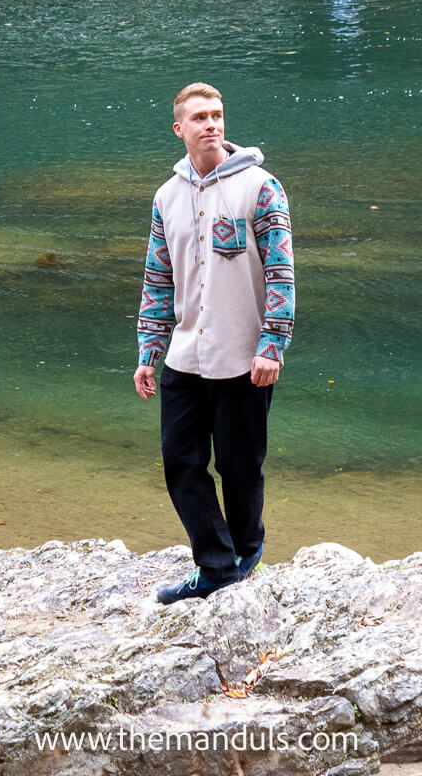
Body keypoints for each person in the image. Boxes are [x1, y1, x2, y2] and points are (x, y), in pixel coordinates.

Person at [134, 82, 294, 604]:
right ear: (179, 128)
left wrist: (273, 344)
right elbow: (158, 279)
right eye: (199, 117)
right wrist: (148, 353)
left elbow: (281, 273)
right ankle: (216, 564)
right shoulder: (166, 197)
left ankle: (248, 553)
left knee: (240, 466)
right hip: (184, 355)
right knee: (180, 462)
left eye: (218, 115)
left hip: (242, 357)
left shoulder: (261, 187)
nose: (212, 125)